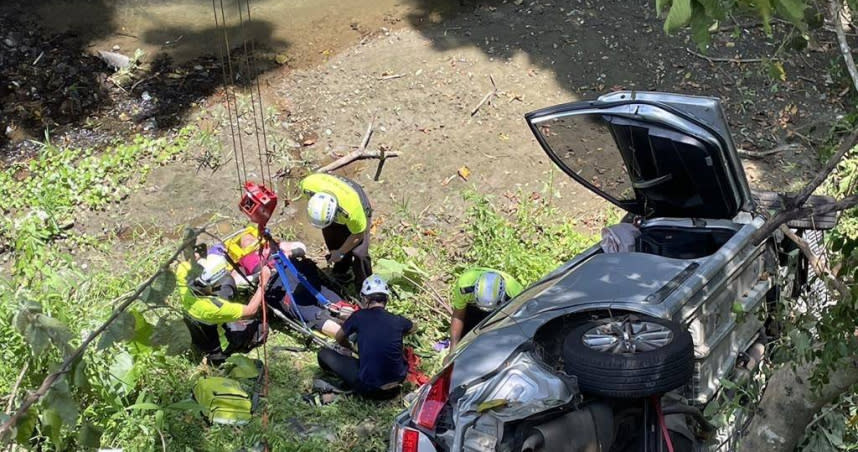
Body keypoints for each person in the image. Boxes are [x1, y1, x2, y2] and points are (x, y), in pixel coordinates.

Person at [316, 275, 416, 399]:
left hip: (370, 389)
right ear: (386, 299)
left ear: (365, 299)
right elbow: (413, 328)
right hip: (397, 384)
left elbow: (339, 337)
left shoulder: (358, 316)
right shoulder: (397, 320)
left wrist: (350, 348)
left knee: (324, 354)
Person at [175, 253, 271, 364]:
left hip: (197, 331)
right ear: (208, 285)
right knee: (262, 328)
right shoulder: (213, 308)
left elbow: (192, 256)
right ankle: (220, 354)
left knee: (227, 283)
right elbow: (251, 311)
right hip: (217, 344)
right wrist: (262, 284)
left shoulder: (183, 273)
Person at [299, 173, 373, 292]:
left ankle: (366, 288)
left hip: (353, 198)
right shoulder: (307, 186)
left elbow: (358, 235)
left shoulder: (352, 210)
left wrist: (341, 252)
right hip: (334, 194)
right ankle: (342, 271)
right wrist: (337, 251)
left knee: (360, 253)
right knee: (333, 239)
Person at [449, 268, 524, 350]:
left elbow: (518, 325)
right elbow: (458, 316)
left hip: (501, 311)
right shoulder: (464, 286)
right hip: (473, 307)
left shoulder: (516, 295)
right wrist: (453, 349)